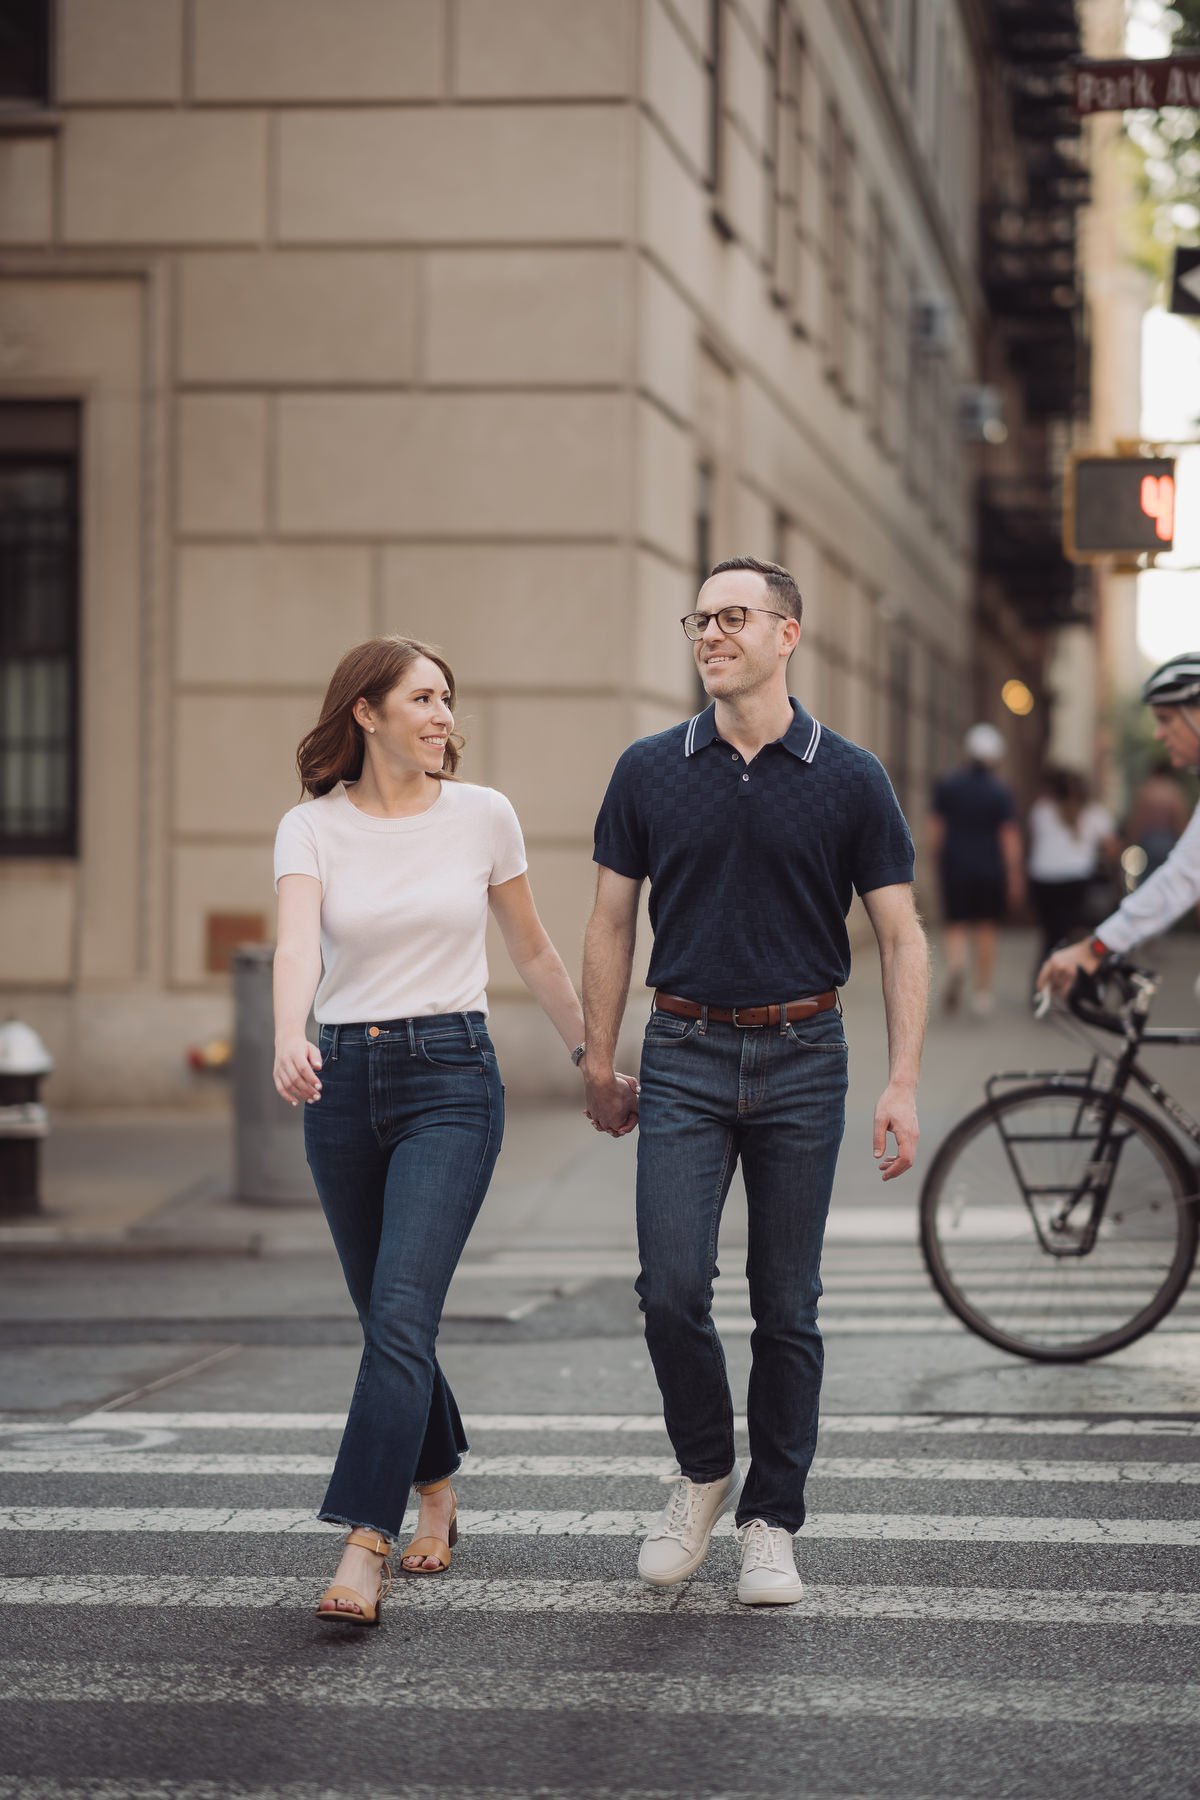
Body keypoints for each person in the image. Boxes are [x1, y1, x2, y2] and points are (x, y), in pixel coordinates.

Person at [580, 556, 928, 1606]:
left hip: (804, 1057)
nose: (711, 634)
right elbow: (608, 922)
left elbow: (902, 937)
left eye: (735, 616)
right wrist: (599, 1059)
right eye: (701, 618)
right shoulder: (648, 768)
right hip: (681, 1052)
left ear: (788, 634)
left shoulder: (851, 774)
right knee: (672, 1289)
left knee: (789, 1307)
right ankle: (702, 1471)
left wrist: (901, 1081)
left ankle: (772, 1518)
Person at [273, 635, 633, 1626]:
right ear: (368, 712)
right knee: (392, 1317)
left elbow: (534, 948)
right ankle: (439, 1486)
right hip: (343, 1084)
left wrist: (592, 1061)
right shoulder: (310, 830)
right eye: (423, 698)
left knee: (398, 1311)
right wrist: (284, 1038)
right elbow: (297, 942)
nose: (443, 715)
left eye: (447, 699)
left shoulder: (484, 817)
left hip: (451, 1081)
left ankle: (363, 1541)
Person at [1040, 653, 1200, 996]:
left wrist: (1095, 948)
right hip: (1167, 845)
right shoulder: (1173, 791)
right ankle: (1157, 939)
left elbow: (1183, 876)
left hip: (1157, 847)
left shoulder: (1147, 791)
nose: (1158, 734)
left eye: (1167, 719)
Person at [926, 723, 1023, 1017]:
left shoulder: (948, 785)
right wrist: (1014, 873)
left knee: (956, 924)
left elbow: (935, 829)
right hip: (990, 868)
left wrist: (935, 861)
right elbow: (1008, 835)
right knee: (985, 928)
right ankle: (982, 993)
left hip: (955, 865)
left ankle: (957, 965)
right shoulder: (1000, 791)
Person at [1026, 766, 1118, 967]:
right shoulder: (1095, 814)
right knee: (1069, 934)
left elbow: (1035, 841)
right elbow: (1112, 848)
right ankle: (1066, 977)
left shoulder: (1041, 811)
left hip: (1042, 878)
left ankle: (1043, 982)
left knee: (1049, 936)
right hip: (1075, 881)